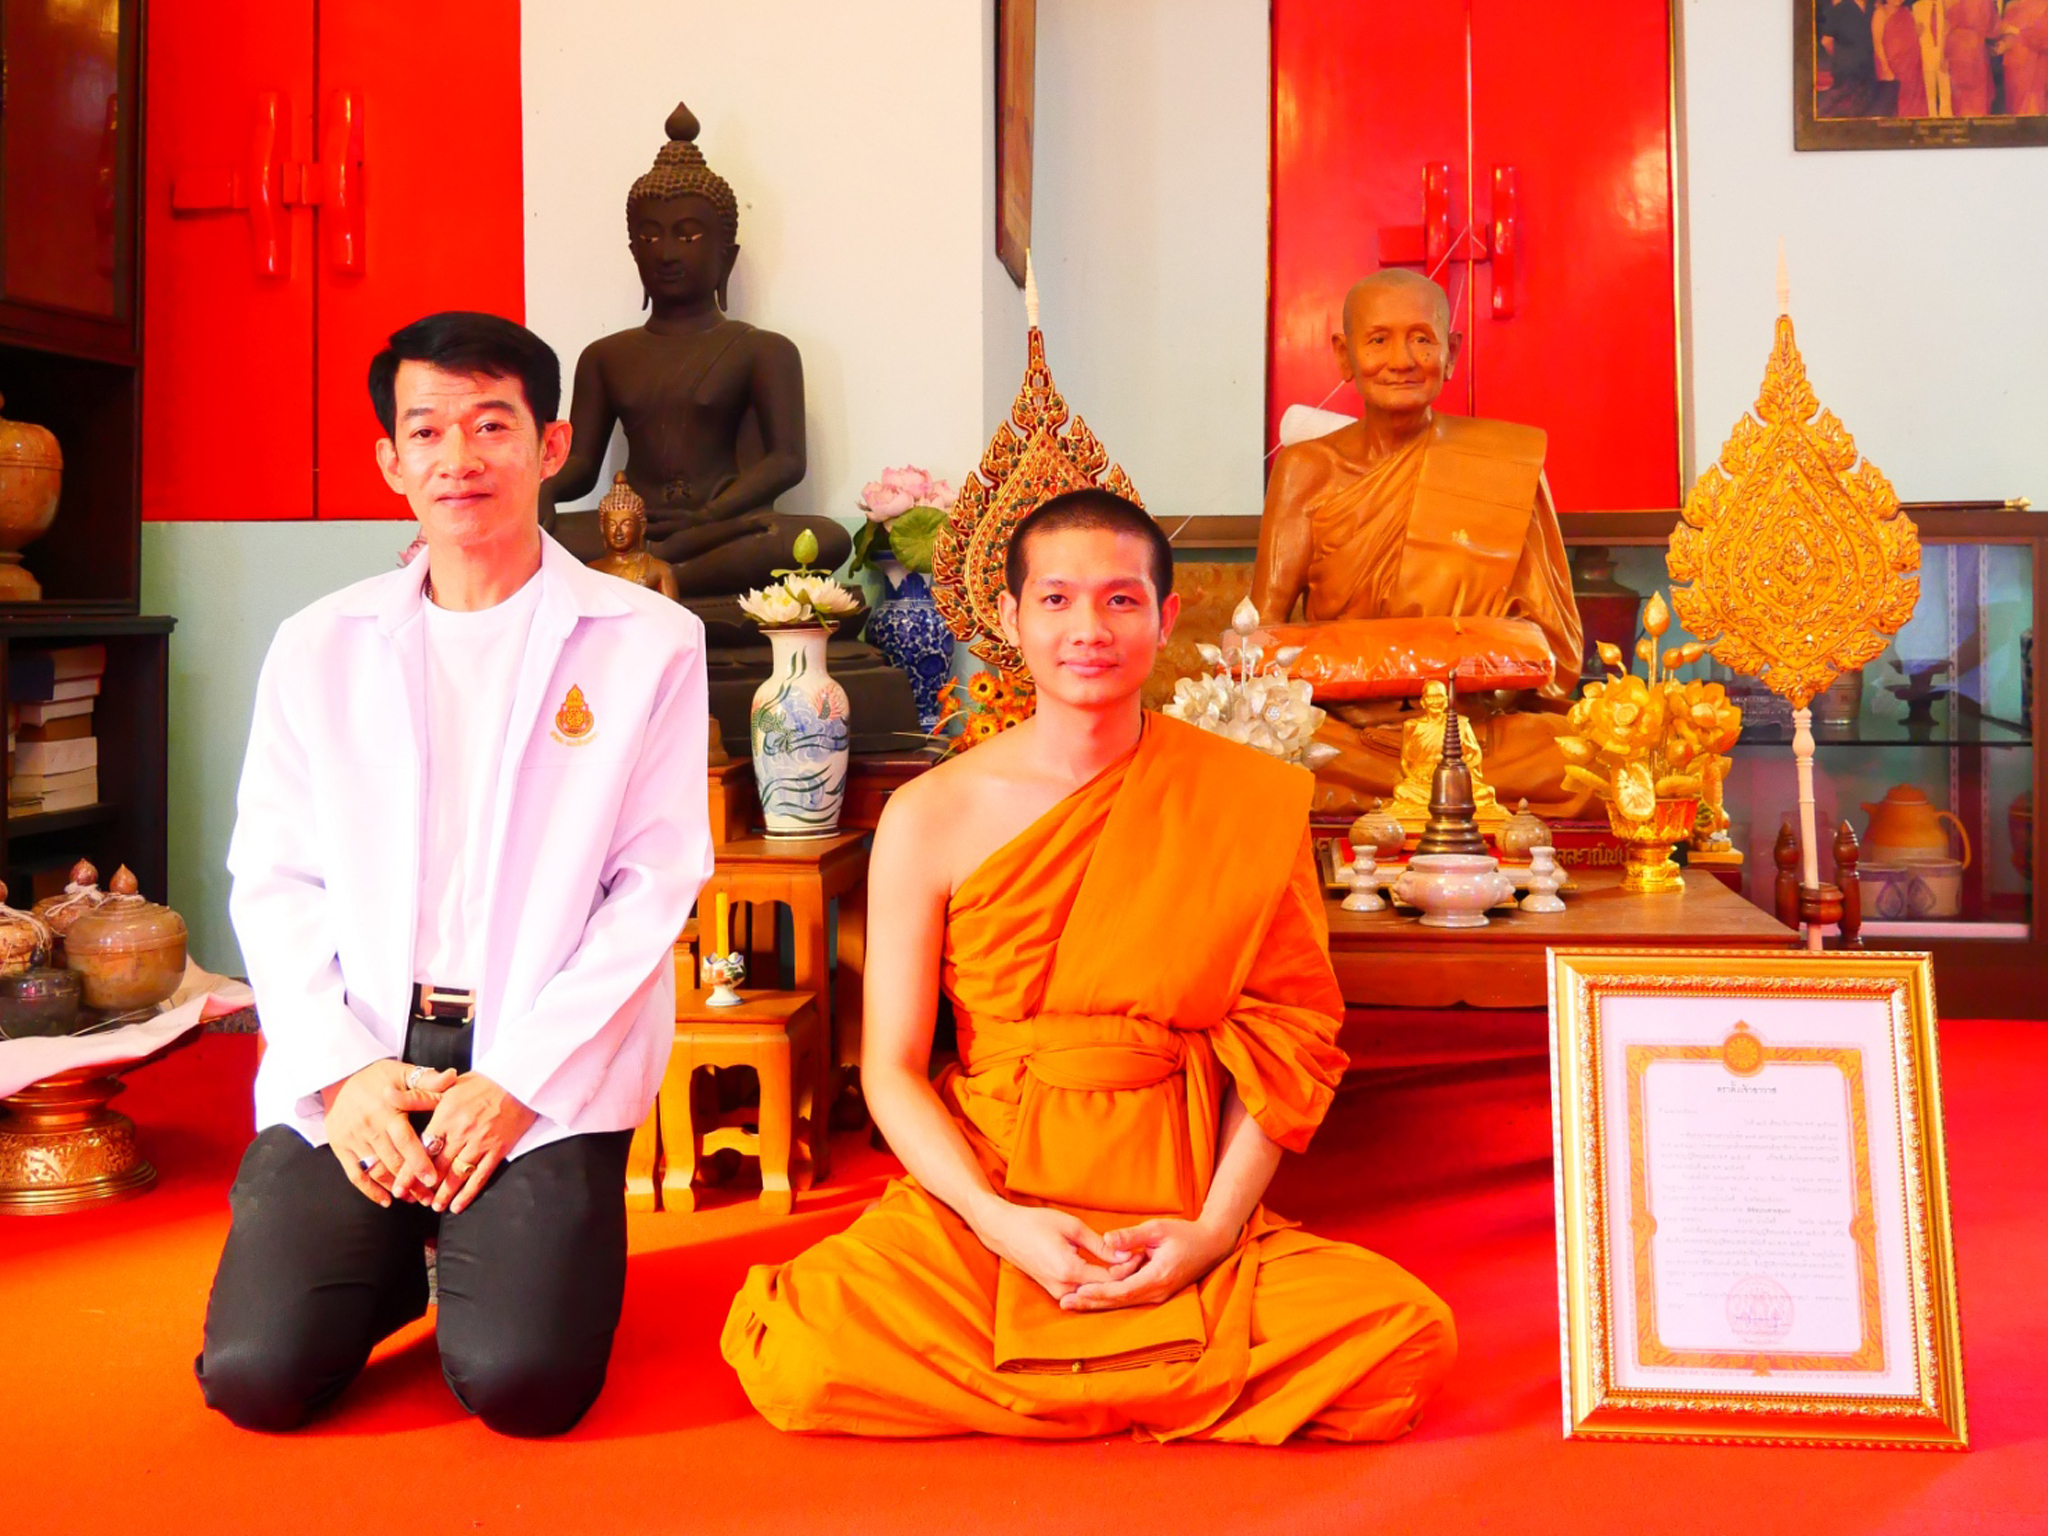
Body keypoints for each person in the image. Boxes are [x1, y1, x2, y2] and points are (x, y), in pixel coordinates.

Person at [721, 489, 1456, 1443]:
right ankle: (1153, 1378)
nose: (1089, 630)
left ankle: (1078, 1373)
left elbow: (1287, 1047)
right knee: (797, 1349)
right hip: (992, 1188)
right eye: (1057, 599)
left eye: (1120, 600)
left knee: (1405, 1339)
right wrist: (996, 1221)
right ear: (1010, 617)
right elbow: (891, 1070)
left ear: (1166, 618)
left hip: (1175, 1193)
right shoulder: (931, 813)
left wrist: (1210, 1236)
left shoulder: (1242, 799)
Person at [196, 311, 713, 1436]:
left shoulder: (648, 642)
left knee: (525, 1384)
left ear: (552, 445)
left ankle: (496, 1237)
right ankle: (383, 1259)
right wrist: (343, 1073)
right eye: (427, 431)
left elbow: (653, 886)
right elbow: (272, 876)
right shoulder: (318, 643)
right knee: (256, 1376)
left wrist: (516, 1078)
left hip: (538, 1056)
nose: (459, 457)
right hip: (366, 1047)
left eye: (492, 425)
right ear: (391, 460)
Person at [1251, 269, 1587, 816]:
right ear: (1344, 356)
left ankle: (1400, 796)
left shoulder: (1501, 464)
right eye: (1378, 340)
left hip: (1475, 736)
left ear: (1451, 353)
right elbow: (1259, 638)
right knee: (1249, 744)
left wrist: (1468, 691)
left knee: (1599, 760)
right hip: (1345, 735)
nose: (1402, 360)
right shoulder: (1307, 470)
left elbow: (1557, 651)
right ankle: (1433, 796)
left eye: (1422, 339)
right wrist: (1351, 690)